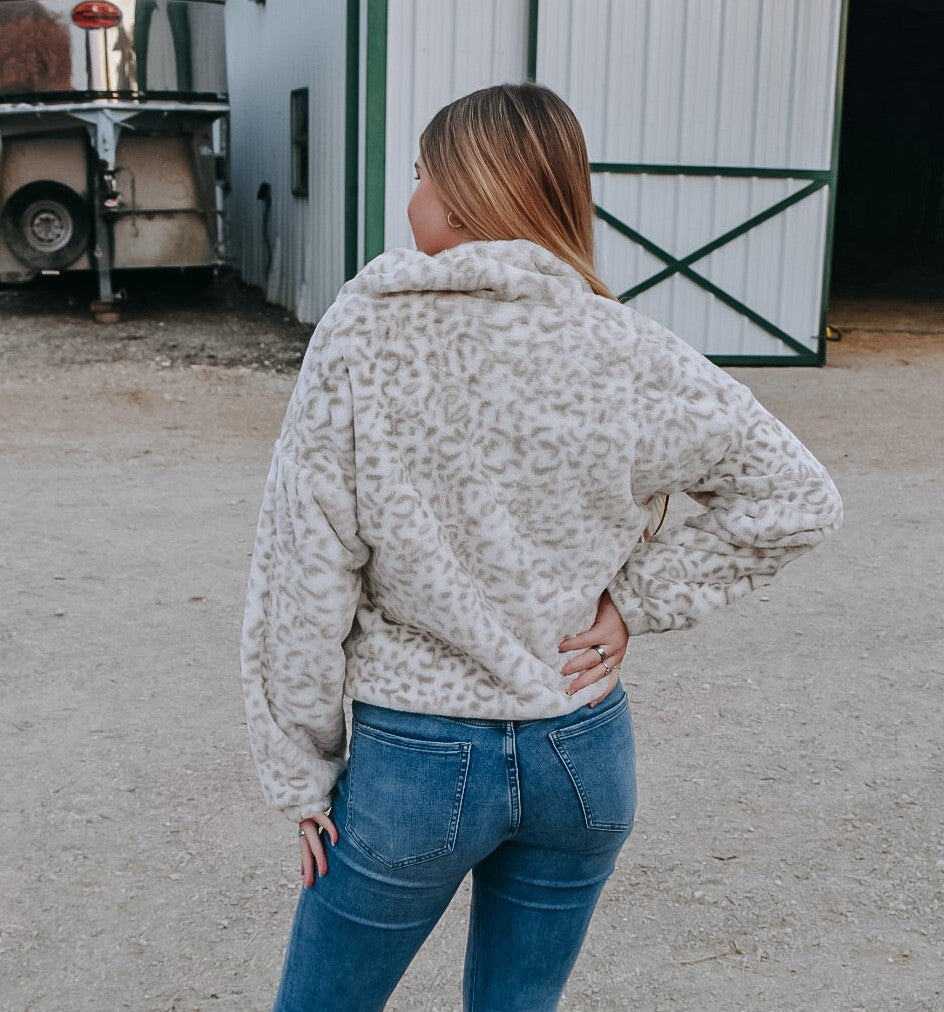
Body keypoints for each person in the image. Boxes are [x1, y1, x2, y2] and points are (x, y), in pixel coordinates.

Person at [240, 82, 842, 1011]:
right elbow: (797, 497)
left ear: (466, 191)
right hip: (583, 755)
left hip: (414, 764)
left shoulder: (368, 330)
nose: (411, 202)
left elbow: (304, 573)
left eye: (419, 177)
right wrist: (634, 602)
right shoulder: (629, 348)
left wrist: (302, 773)